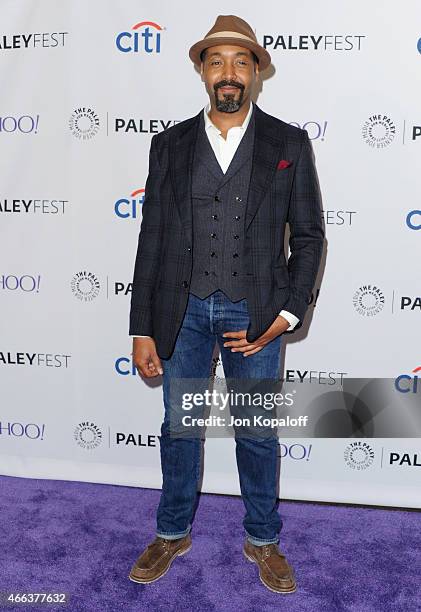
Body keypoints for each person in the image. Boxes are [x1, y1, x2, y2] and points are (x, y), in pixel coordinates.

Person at [128, 14, 324, 594]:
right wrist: (142, 327)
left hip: (255, 313)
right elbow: (153, 238)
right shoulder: (169, 145)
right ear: (202, 72)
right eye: (217, 62)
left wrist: (285, 316)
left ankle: (263, 540)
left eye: (241, 61)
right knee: (180, 428)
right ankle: (172, 532)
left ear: (257, 71)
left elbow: (309, 236)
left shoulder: (288, 142)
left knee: (258, 432)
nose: (229, 73)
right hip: (181, 313)